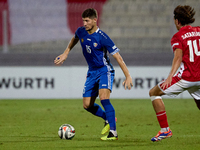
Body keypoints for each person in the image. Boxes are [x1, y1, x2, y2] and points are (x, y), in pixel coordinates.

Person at [54, 8, 133, 140]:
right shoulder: (81, 32)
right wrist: (66, 52)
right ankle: (108, 118)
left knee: (103, 98)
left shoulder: (102, 37)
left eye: (87, 21)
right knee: (87, 105)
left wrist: (128, 75)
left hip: (104, 70)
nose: (84, 23)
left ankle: (113, 133)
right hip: (91, 72)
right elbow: (74, 39)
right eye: (83, 21)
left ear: (95, 20)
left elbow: (118, 57)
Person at [149, 5, 200, 142]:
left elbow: (178, 57)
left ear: (177, 21)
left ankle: (165, 130)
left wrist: (170, 76)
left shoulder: (178, 36)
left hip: (187, 78)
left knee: (154, 93)